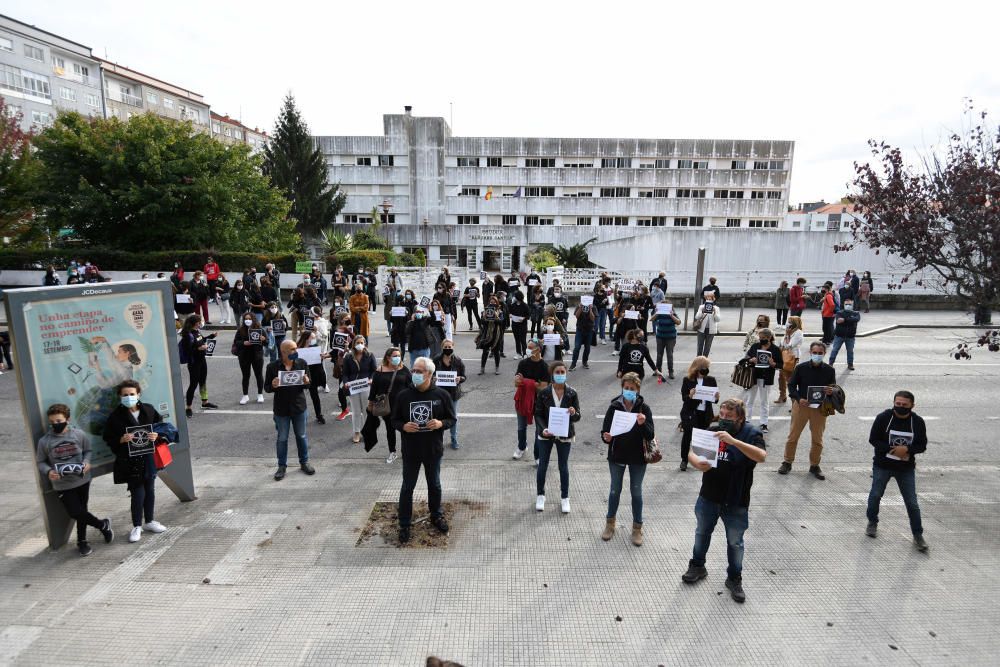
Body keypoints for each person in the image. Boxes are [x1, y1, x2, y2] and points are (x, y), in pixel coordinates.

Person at [681, 398, 767, 604]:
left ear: (740, 418)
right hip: (709, 495)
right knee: (702, 533)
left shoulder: (752, 433)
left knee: (735, 542)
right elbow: (692, 451)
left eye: (730, 416)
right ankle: (697, 565)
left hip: (736, 500)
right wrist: (697, 463)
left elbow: (761, 456)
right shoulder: (712, 430)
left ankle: (734, 578)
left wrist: (734, 441)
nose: (724, 420)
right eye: (722, 415)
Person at [391, 356, 456, 544]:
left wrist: (440, 423)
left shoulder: (441, 395)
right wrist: (403, 427)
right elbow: (394, 419)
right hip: (411, 451)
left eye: (419, 371)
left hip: (433, 450)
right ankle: (404, 524)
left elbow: (452, 419)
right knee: (407, 487)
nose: (415, 374)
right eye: (413, 370)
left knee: (434, 484)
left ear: (429, 374)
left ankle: (436, 515)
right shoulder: (404, 396)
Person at [37, 403, 114, 556]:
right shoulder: (44, 441)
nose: (55, 425)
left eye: (59, 421)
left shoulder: (79, 435)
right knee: (75, 512)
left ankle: (82, 541)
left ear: (67, 419)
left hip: (83, 480)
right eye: (52, 422)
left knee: (82, 511)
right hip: (62, 484)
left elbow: (88, 451)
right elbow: (40, 462)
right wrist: (49, 471)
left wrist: (86, 462)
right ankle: (102, 525)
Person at [102, 380, 167, 543]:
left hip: (149, 457)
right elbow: (108, 438)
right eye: (125, 395)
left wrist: (156, 436)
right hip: (130, 461)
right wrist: (121, 440)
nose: (129, 397)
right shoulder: (115, 417)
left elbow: (160, 427)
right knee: (138, 493)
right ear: (120, 397)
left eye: (132, 394)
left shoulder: (149, 410)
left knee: (150, 490)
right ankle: (137, 525)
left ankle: (150, 521)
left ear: (138, 394)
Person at [865, 390, 929, 552]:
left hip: (905, 468)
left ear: (912, 406)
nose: (900, 407)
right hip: (882, 465)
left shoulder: (918, 422)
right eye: (897, 404)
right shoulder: (883, 418)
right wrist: (893, 450)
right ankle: (872, 522)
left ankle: (917, 534)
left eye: (904, 405)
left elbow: (922, 445)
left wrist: (907, 450)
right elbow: (873, 439)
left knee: (912, 503)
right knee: (875, 495)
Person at [600, 372, 654, 546]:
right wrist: (606, 437)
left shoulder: (644, 409)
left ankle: (637, 528)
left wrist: (642, 423)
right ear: (622, 388)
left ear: (638, 390)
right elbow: (605, 431)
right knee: (615, 490)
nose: (629, 391)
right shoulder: (614, 406)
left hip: (638, 458)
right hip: (617, 456)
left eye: (632, 388)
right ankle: (610, 524)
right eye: (626, 388)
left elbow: (650, 434)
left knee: (636, 492)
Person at [780, 342, 836, 479]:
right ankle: (787, 462)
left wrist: (831, 391)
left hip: (819, 408)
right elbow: (792, 386)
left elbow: (833, 388)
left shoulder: (829, 370)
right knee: (793, 436)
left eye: (820, 353)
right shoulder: (801, 368)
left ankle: (814, 465)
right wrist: (799, 399)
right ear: (810, 353)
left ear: (824, 354)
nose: (817, 355)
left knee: (818, 439)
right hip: (802, 406)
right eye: (815, 352)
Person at [534, 361, 580, 513]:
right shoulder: (544, 393)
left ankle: (565, 497)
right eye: (557, 372)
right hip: (547, 434)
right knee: (542, 466)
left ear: (566, 373)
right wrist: (543, 429)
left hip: (565, 434)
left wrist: (574, 413)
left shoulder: (572, 393)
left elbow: (578, 416)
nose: (560, 375)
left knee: (563, 466)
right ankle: (540, 495)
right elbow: (538, 414)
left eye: (562, 372)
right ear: (552, 374)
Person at [264, 340, 314, 480]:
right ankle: (282, 466)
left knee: (301, 436)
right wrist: (273, 385)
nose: (295, 351)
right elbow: (267, 388)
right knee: (282, 438)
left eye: (296, 348)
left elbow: (309, 385)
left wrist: (307, 382)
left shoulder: (302, 363)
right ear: (283, 352)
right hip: (281, 409)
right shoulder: (272, 367)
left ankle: (304, 462)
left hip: (299, 407)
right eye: (292, 349)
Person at [367, 347, 413, 463]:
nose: (398, 358)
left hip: (402, 406)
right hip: (386, 406)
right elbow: (374, 389)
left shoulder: (403, 369)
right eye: (395, 356)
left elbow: (411, 386)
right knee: (390, 430)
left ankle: (406, 452)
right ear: (388, 357)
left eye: (399, 356)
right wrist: (370, 403)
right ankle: (392, 452)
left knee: (405, 430)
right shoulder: (380, 370)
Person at [513, 340, 550, 463]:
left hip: (539, 402)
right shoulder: (523, 363)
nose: (527, 350)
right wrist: (529, 383)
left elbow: (543, 387)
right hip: (523, 399)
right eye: (527, 347)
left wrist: (527, 382)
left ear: (538, 349)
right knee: (521, 426)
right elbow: (516, 382)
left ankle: (537, 455)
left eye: (530, 348)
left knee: (538, 429)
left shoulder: (545, 367)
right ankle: (521, 447)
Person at [679, 357, 719, 471]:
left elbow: (713, 399)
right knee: (687, 436)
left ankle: (702, 460)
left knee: (704, 437)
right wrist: (690, 395)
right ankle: (684, 460)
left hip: (705, 413)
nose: (705, 369)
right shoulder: (687, 380)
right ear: (697, 368)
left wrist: (716, 398)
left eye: (707, 367)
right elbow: (684, 398)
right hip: (691, 413)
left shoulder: (711, 380)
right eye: (703, 367)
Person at [178, 314, 219, 417]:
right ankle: (188, 407)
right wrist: (198, 349)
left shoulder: (197, 332)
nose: (201, 322)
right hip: (194, 363)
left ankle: (205, 402)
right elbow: (188, 350)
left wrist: (211, 336)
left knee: (203, 382)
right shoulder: (188, 335)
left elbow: (201, 340)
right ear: (194, 323)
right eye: (199, 321)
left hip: (202, 360)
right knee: (193, 384)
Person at [341, 334, 376, 443]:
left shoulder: (370, 355)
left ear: (365, 344)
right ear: (353, 344)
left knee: (366, 410)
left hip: (366, 385)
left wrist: (371, 379)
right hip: (353, 387)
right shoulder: (348, 357)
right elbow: (345, 373)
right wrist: (346, 383)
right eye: (358, 343)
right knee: (356, 411)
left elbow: (374, 371)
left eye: (362, 343)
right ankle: (356, 432)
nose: (360, 345)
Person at [742, 328, 779, 432]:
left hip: (766, 378)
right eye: (760, 337)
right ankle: (747, 421)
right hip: (753, 377)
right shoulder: (755, 346)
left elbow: (781, 365)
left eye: (764, 338)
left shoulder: (775, 349)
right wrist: (750, 360)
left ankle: (764, 423)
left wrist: (773, 364)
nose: (762, 339)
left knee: (764, 401)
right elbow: (744, 359)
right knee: (750, 400)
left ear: (770, 337)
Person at [433, 340, 466, 450]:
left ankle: (454, 439)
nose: (447, 348)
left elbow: (464, 376)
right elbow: (431, 374)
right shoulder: (436, 360)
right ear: (442, 347)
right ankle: (438, 440)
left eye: (449, 346)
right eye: (445, 347)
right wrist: (433, 378)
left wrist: (460, 379)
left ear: (453, 347)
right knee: (439, 417)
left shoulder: (457, 361)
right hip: (439, 394)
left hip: (453, 394)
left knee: (453, 417)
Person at [296, 330, 330, 424]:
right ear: (306, 339)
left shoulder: (315, 348)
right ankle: (299, 414)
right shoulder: (297, 348)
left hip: (313, 375)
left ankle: (319, 415)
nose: (314, 339)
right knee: (298, 395)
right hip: (302, 374)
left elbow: (318, 363)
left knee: (314, 395)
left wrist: (321, 357)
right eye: (312, 337)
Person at [235, 313, 266, 405]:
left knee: (259, 375)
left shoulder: (260, 329)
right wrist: (244, 343)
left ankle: (260, 394)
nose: (247, 320)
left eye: (249, 319)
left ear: (253, 319)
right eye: (246, 319)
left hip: (257, 356)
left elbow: (267, 343)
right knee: (245, 376)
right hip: (244, 356)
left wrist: (264, 339)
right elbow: (236, 342)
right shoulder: (240, 330)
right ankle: (245, 395)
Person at [775, 315, 804, 404]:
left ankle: (794, 401)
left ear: (794, 324)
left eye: (789, 321)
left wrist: (787, 335)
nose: (787, 323)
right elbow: (781, 343)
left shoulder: (798, 332)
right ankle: (782, 396)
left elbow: (790, 345)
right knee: (781, 377)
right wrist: (786, 336)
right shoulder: (788, 331)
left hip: (792, 358)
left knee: (789, 379)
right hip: (784, 356)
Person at [476, 296, 505, 375]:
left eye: (494, 302)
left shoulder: (500, 311)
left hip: (496, 334)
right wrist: (485, 318)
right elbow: (481, 322)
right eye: (491, 302)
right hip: (487, 334)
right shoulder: (485, 311)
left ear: (497, 303)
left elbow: (501, 322)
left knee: (496, 352)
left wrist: (495, 317)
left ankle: (497, 368)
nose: (492, 304)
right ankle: (482, 369)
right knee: (485, 352)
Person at [829, 297, 860, 370]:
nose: (848, 305)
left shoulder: (856, 313)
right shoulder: (839, 312)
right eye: (846, 304)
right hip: (839, 336)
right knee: (835, 350)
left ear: (852, 305)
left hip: (850, 337)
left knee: (850, 351)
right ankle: (831, 363)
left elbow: (856, 319)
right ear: (844, 305)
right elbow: (838, 321)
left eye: (849, 304)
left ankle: (850, 364)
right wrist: (850, 320)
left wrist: (845, 319)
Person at [652, 303, 681, 379]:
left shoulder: (673, 313)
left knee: (670, 355)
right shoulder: (659, 314)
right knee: (659, 354)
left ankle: (671, 371)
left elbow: (678, 322)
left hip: (670, 337)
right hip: (660, 337)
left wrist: (672, 316)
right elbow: (651, 319)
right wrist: (656, 313)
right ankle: (658, 370)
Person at [569, 302, 595, 371]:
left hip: (589, 330)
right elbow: (577, 316)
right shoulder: (579, 305)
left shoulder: (593, 306)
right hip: (580, 330)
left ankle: (585, 362)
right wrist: (580, 307)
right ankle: (573, 364)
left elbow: (593, 318)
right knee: (577, 347)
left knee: (587, 347)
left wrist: (590, 309)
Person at [508, 291, 530, 358]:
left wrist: (524, 318)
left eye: (515, 296)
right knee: (517, 339)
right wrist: (510, 315)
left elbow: (528, 315)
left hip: (522, 325)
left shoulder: (525, 305)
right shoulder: (513, 305)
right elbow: (510, 312)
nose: (513, 297)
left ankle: (525, 353)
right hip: (514, 324)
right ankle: (518, 353)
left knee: (523, 340)